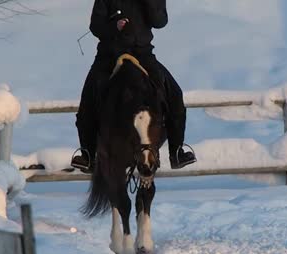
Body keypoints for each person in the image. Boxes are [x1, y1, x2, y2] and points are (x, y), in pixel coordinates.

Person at [71, 0, 197, 173]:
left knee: (175, 94)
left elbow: (160, 22)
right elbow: (95, 26)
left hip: (143, 53)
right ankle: (88, 154)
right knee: (88, 97)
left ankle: (176, 151)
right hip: (109, 55)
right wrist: (114, 26)